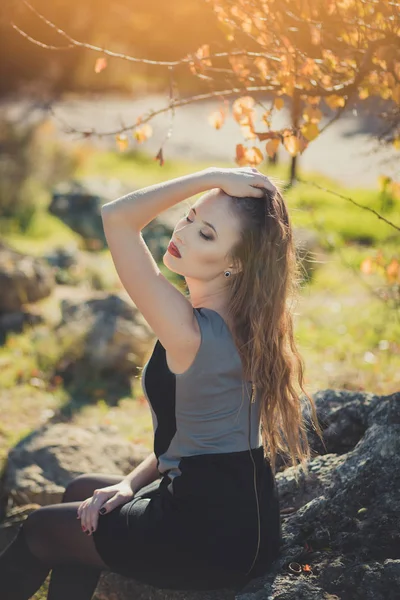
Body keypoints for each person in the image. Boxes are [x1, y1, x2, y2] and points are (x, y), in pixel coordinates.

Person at [0, 166, 324, 598]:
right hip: (246, 528)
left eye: (206, 234)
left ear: (235, 264)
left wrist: (210, 176)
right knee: (84, 495)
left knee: (41, 529)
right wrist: (128, 484)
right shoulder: (248, 324)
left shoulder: (190, 331)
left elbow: (117, 218)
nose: (184, 234)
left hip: (205, 539)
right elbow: (199, 440)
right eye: (189, 217)